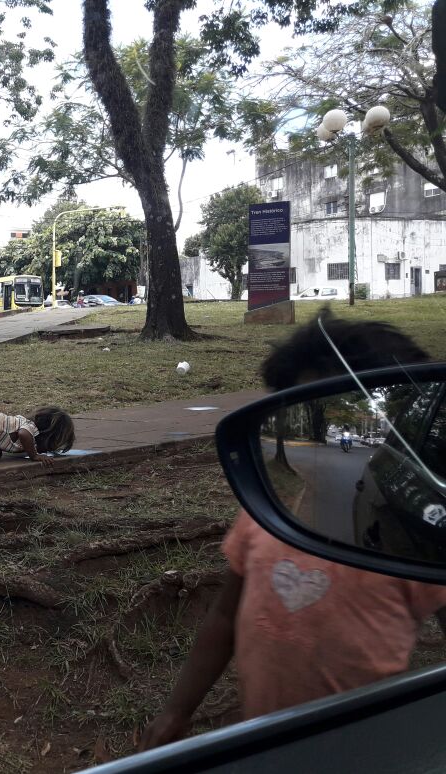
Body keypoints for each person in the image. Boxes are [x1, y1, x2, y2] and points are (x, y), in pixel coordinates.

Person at [139, 311, 446, 750]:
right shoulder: (265, 513)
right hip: (267, 740)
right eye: (298, 414)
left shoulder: (413, 526)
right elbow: (225, 615)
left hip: (367, 747)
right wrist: (177, 709)